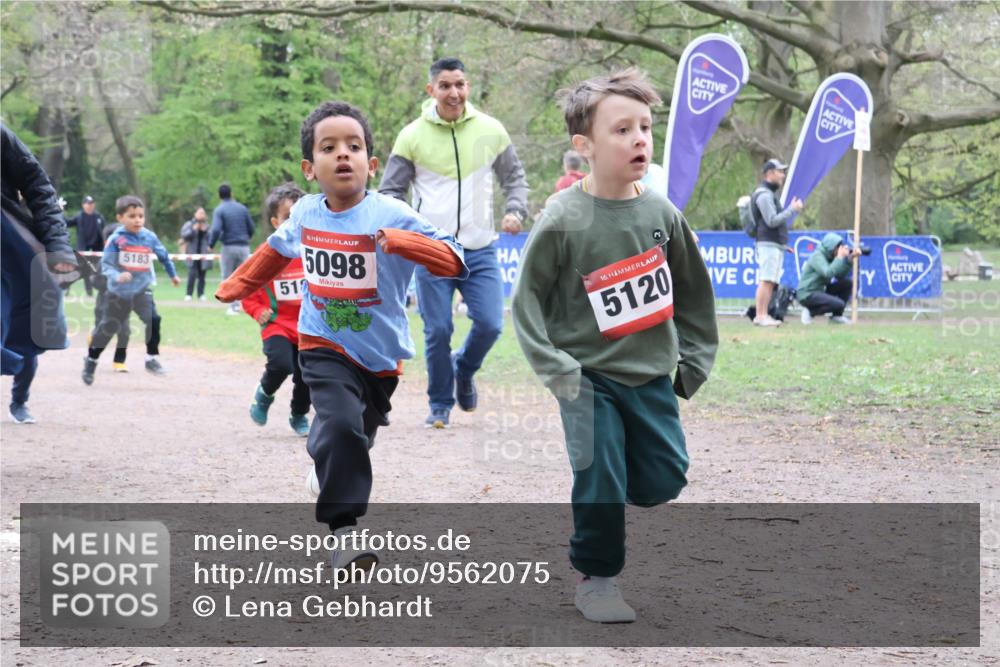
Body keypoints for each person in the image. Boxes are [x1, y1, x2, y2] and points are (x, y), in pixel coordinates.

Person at [217, 101, 468, 573]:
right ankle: (345, 532)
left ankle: (326, 462)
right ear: (311, 168)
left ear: (371, 164)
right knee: (341, 425)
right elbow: (275, 250)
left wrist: (406, 243)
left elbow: (454, 258)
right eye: (329, 148)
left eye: (354, 146)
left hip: (380, 358)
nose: (343, 155)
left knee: (353, 437)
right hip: (321, 343)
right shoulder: (307, 213)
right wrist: (238, 285)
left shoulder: (392, 211)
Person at [512, 68, 718, 624]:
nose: (640, 140)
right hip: (586, 377)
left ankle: (618, 481)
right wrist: (558, 370)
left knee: (663, 481)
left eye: (645, 128)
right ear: (585, 147)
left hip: (649, 373)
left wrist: (693, 362)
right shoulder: (563, 217)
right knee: (600, 473)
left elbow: (695, 295)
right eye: (622, 130)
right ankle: (597, 577)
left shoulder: (661, 214)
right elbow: (525, 300)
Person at [379, 56, 528, 429]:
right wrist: (407, 234)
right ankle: (440, 404)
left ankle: (464, 369)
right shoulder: (411, 135)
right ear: (431, 90)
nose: (454, 92)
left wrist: (516, 210)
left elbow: (515, 178)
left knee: (492, 323)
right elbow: (391, 193)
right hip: (434, 251)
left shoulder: (491, 129)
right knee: (439, 329)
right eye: (445, 85)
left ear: (468, 87)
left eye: (460, 84)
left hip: (479, 248)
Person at [1, 123, 77, 424]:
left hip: (10, 247)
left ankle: (19, 400)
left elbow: (38, 186)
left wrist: (58, 245)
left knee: (26, 330)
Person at [82, 195, 180, 384]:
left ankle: (151, 358)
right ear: (120, 218)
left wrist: (173, 274)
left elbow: (164, 256)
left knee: (153, 319)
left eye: (141, 216)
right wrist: (117, 275)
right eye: (132, 216)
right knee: (107, 329)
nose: (137, 220)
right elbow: (107, 265)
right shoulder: (116, 240)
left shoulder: (149, 237)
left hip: (141, 290)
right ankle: (91, 360)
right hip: (118, 293)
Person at [242, 183, 312, 435]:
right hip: (277, 324)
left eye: (299, 218)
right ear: (275, 222)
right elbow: (246, 286)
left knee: (308, 373)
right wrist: (256, 309)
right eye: (287, 218)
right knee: (282, 364)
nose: (294, 224)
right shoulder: (267, 254)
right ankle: (264, 394)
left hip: (308, 326)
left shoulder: (314, 252)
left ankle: (299, 414)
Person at [751, 158, 803, 327]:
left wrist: (781, 244)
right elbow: (772, 221)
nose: (783, 175)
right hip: (767, 244)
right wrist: (792, 210)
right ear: (769, 174)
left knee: (770, 281)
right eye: (780, 171)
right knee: (766, 280)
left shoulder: (769, 194)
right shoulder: (764, 195)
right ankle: (760, 315)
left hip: (773, 244)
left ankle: (763, 315)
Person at [209, 183, 256, 315]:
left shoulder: (219, 210)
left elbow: (216, 229)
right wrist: (247, 237)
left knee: (228, 277)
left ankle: (232, 307)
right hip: (244, 247)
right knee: (245, 277)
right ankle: (246, 305)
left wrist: (211, 244)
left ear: (219, 195)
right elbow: (251, 227)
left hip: (229, 247)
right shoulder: (242, 208)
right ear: (231, 194)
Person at [796, 232, 859, 325]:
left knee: (847, 283)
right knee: (839, 304)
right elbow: (828, 273)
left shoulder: (831, 257)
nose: (839, 250)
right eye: (838, 247)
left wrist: (849, 260)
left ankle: (837, 316)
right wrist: (839, 257)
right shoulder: (817, 256)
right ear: (831, 247)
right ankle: (810, 311)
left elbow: (839, 276)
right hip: (807, 293)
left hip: (820, 290)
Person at [67, 195, 107, 296]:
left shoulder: (99, 217)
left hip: (96, 250)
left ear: (94, 205)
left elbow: (105, 231)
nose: (89, 206)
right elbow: (67, 223)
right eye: (87, 203)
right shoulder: (79, 216)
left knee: (95, 271)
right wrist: (58, 212)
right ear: (83, 205)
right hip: (83, 250)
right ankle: (65, 288)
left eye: (91, 203)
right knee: (78, 269)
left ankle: (95, 293)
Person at [180, 207, 212, 301]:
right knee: (192, 274)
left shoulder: (207, 226)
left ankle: (201, 294)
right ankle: (188, 294)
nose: (201, 215)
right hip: (192, 254)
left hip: (203, 255)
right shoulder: (189, 224)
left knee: (202, 275)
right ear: (195, 214)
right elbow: (184, 236)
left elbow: (212, 238)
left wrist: (205, 231)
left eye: (203, 213)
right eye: (200, 213)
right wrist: (194, 230)